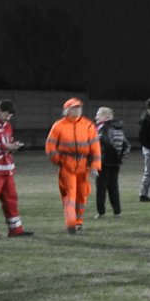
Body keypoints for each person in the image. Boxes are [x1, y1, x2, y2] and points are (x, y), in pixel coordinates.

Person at [45, 98, 100, 234]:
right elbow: (50, 146)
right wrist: (58, 161)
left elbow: (95, 148)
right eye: (74, 108)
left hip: (83, 165)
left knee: (82, 194)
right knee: (70, 194)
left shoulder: (88, 125)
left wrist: (95, 166)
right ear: (66, 110)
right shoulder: (58, 126)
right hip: (67, 165)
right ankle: (71, 224)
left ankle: (79, 221)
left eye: (79, 107)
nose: (77, 110)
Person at [0, 99, 31, 238]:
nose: (7, 118)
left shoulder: (7, 126)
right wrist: (5, 147)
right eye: (6, 115)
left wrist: (14, 147)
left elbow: (6, 146)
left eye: (9, 116)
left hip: (6, 170)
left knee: (11, 200)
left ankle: (16, 230)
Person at [92, 107, 129, 218]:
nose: (96, 117)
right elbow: (126, 146)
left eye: (98, 114)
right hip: (115, 163)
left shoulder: (101, 128)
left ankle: (101, 212)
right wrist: (120, 158)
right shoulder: (118, 128)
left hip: (103, 162)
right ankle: (117, 212)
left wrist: (95, 160)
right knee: (113, 187)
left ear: (106, 117)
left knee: (101, 188)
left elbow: (97, 145)